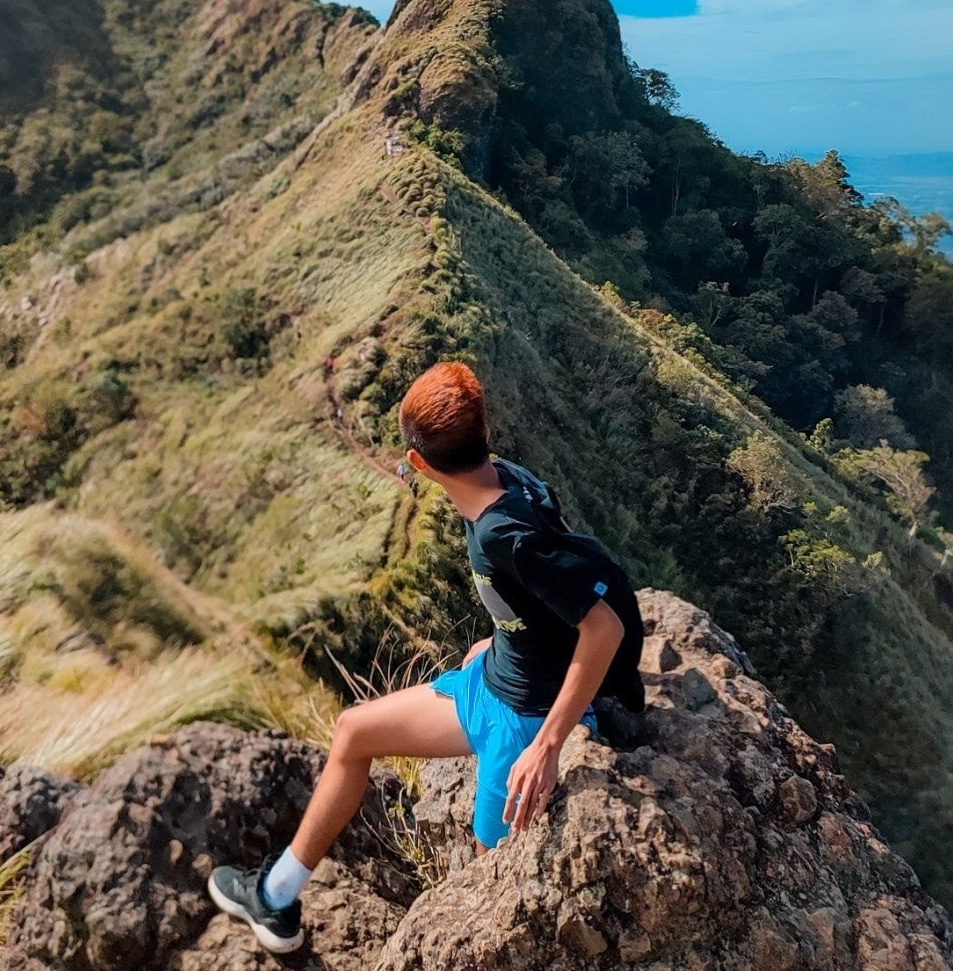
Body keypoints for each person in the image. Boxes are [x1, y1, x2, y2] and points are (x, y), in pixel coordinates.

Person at [208, 360, 645, 955]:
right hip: (493, 682)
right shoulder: (509, 480)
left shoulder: (502, 533)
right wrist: (503, 637)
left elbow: (603, 626)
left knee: (494, 893)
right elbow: (560, 590)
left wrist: (547, 744)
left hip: (520, 722)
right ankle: (277, 897)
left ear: (419, 463)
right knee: (353, 730)